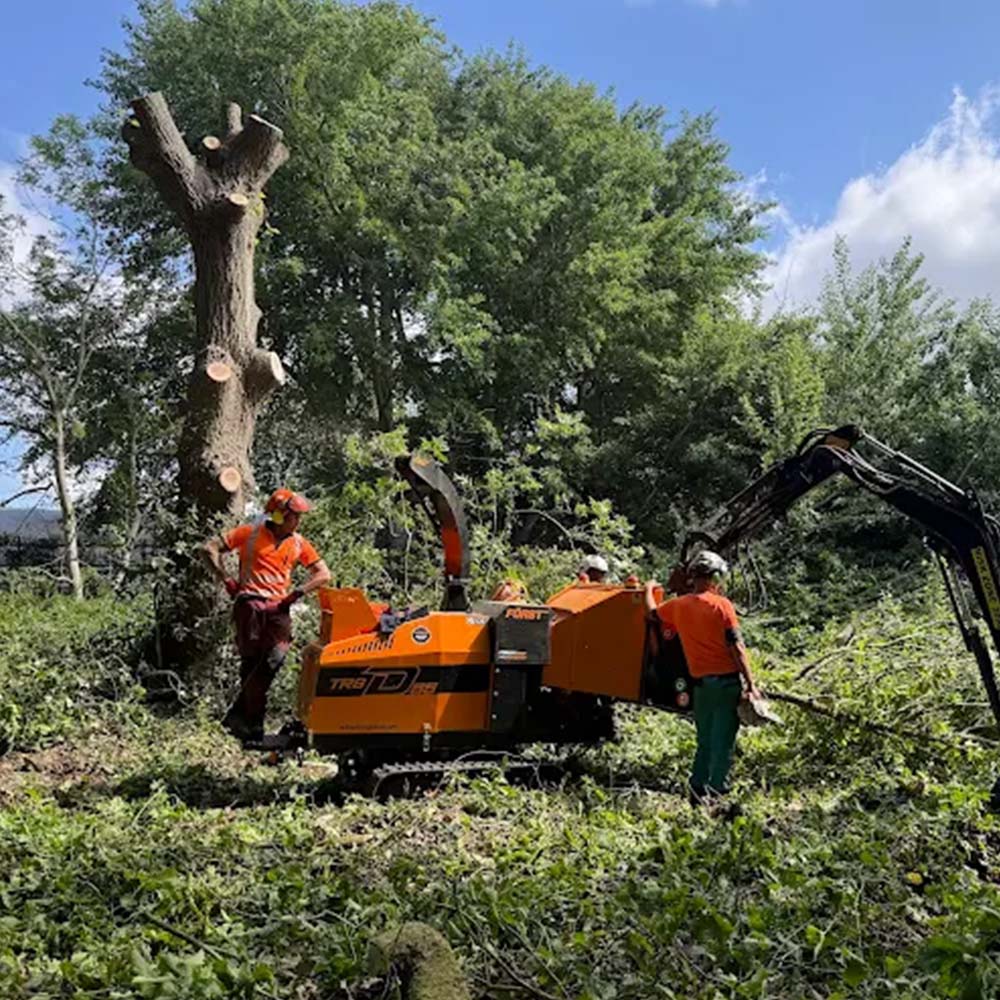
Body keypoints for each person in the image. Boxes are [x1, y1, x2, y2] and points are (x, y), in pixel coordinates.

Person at [201, 487, 331, 743]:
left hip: (279, 608)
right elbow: (209, 548)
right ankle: (253, 726)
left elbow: (324, 574)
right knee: (250, 665)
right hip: (249, 606)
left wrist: (296, 594)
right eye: (294, 516)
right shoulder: (249, 533)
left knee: (275, 658)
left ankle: (237, 717)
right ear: (280, 516)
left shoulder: (298, 543)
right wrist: (225, 579)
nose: (299, 521)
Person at [645, 551, 760, 803]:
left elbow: (652, 615)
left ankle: (697, 791)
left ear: (692, 577)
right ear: (715, 577)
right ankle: (718, 794)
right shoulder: (722, 605)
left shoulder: (678, 606)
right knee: (723, 742)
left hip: (700, 687)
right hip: (726, 684)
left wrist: (648, 589)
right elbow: (736, 647)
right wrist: (751, 684)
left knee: (705, 740)